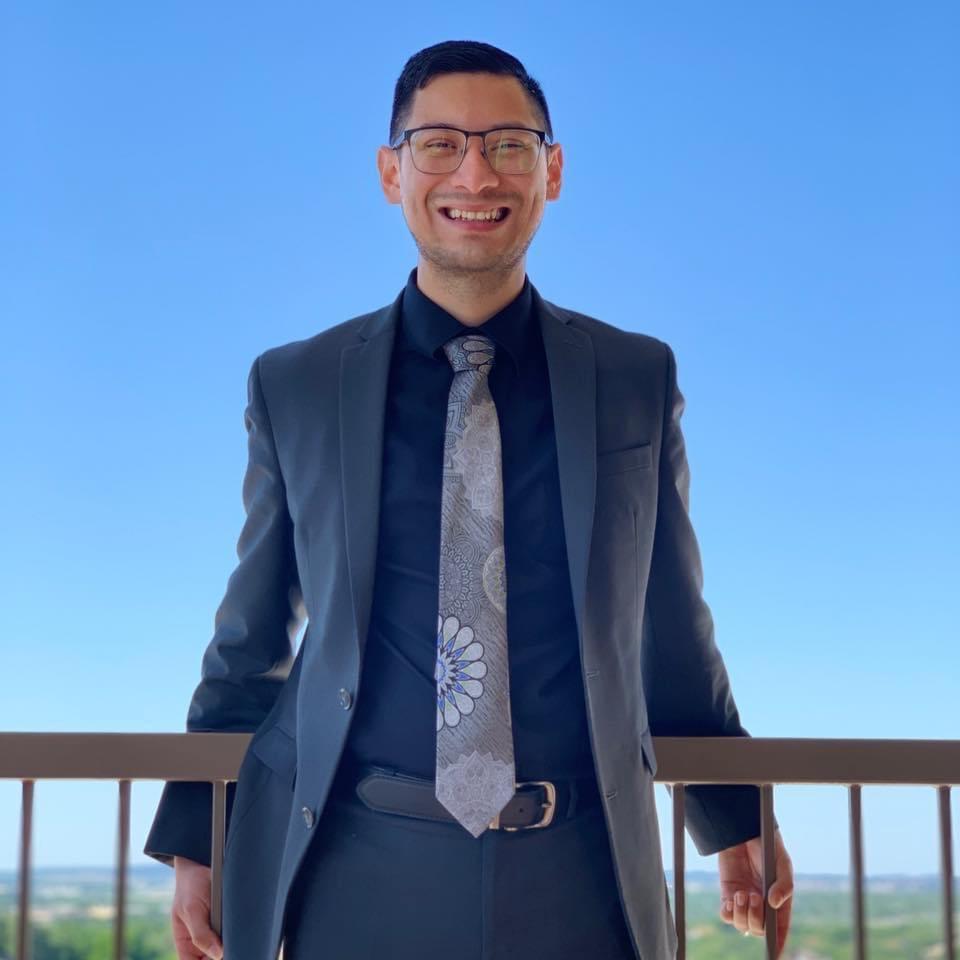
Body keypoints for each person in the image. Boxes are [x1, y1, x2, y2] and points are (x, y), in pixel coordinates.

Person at [144, 39, 795, 960]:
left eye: (510, 145)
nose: (476, 175)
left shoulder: (633, 377)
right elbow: (250, 636)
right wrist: (198, 837)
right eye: (440, 144)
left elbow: (669, 625)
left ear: (552, 172)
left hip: (581, 877)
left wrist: (734, 814)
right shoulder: (297, 384)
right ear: (392, 172)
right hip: (353, 869)